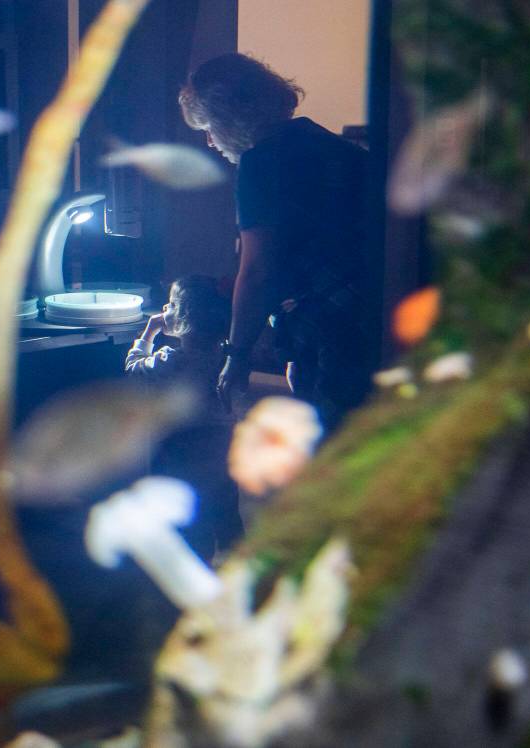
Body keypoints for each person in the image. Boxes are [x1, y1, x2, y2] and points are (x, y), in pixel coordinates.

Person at [179, 53, 377, 429]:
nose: (208, 141)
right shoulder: (328, 144)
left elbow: (257, 271)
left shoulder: (261, 163)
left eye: (207, 127)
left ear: (227, 117)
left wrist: (237, 357)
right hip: (372, 319)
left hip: (333, 329)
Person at [125, 275, 242, 555]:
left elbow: (132, 368)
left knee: (190, 519)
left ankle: (194, 565)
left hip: (183, 450)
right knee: (226, 510)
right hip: (223, 447)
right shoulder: (227, 359)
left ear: (184, 317)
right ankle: (237, 560)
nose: (165, 309)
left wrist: (149, 332)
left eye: (171, 305)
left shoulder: (171, 360)